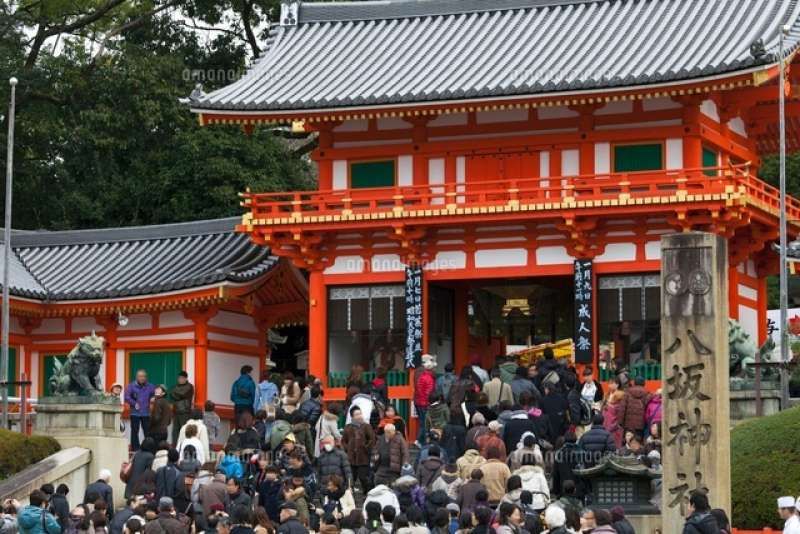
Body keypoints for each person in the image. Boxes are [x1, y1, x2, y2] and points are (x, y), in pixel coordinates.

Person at [341, 406, 375, 494]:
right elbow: (343, 441)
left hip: (363, 458)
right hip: (351, 458)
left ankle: (367, 494)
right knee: (351, 479)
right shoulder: (348, 427)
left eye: (360, 413)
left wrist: (365, 448)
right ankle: (350, 496)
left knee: (364, 478)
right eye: (357, 414)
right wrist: (347, 449)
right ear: (352, 417)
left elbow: (372, 439)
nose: (359, 416)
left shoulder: (366, 426)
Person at [125, 370, 156, 451]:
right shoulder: (131, 386)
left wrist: (153, 398)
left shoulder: (151, 386)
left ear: (146, 377)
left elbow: (155, 394)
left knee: (147, 431)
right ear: (137, 377)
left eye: (144, 376)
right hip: (135, 412)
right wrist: (134, 403)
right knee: (135, 431)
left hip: (146, 413)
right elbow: (127, 397)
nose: (142, 378)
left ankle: (148, 448)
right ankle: (135, 448)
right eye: (140, 376)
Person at [414, 354, 438, 447]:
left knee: (422, 422)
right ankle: (421, 441)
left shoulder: (417, 372)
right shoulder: (427, 376)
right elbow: (428, 391)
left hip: (418, 400)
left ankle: (419, 440)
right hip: (424, 402)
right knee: (425, 423)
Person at [170, 372, 195, 444]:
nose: (180, 379)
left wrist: (177, 395)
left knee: (184, 431)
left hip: (185, 412)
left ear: (185, 378)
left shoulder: (190, 386)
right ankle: (174, 446)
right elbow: (171, 394)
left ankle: (184, 445)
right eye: (179, 378)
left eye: (181, 378)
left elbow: (182, 394)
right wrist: (178, 396)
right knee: (175, 431)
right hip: (176, 411)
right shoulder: (175, 386)